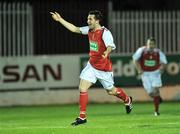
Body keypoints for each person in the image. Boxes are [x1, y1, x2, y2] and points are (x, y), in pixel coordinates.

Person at [50, 10, 133, 126]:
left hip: (104, 69)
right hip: (92, 66)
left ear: (97, 20)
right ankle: (82, 117)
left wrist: (106, 52)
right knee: (82, 88)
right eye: (88, 18)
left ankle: (127, 99)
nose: (88, 21)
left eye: (90, 19)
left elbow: (110, 45)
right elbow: (75, 29)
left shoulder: (105, 32)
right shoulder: (89, 30)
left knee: (111, 91)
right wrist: (60, 20)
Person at [132, 37, 167, 116]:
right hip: (145, 74)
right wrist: (139, 69)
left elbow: (164, 62)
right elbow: (134, 59)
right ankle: (158, 99)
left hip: (155, 73)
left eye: (152, 44)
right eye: (149, 44)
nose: (150, 45)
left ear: (155, 45)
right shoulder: (141, 50)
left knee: (155, 91)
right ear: (147, 44)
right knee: (151, 93)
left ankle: (156, 111)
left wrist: (162, 68)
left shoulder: (158, 52)